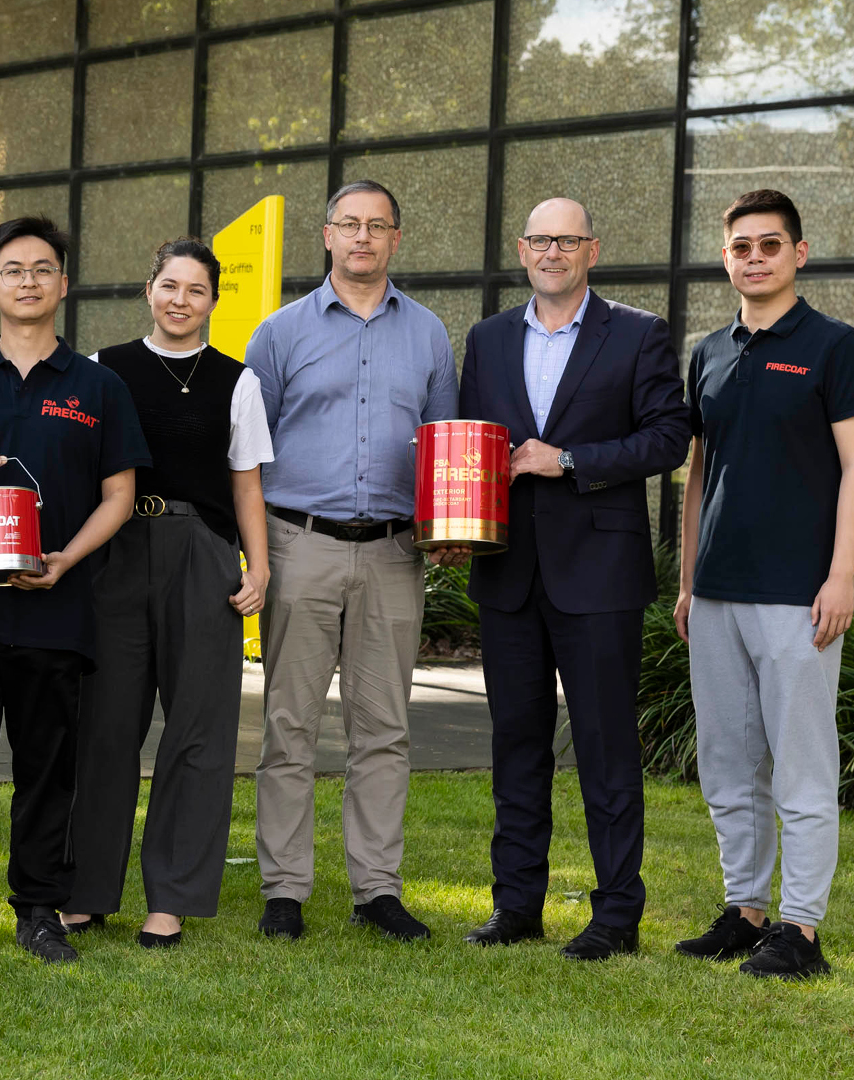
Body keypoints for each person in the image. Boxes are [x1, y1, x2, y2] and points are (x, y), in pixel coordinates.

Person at [0, 216, 149, 965]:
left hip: (56, 608)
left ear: (63, 285)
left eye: (43, 269)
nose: (29, 281)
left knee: (48, 768)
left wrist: (69, 559)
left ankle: (39, 908)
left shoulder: (97, 386)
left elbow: (120, 492)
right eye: (14, 269)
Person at [454, 199, 689, 960]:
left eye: (568, 239)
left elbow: (668, 437)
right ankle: (515, 905)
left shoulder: (639, 332)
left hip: (600, 576)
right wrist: (455, 525)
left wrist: (570, 460)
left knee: (605, 749)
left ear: (592, 249)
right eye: (540, 240)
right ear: (522, 251)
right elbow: (470, 447)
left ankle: (616, 914)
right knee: (515, 745)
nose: (553, 251)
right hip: (507, 573)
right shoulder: (487, 339)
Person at [244, 180, 459, 943]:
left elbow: (445, 450)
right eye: (349, 224)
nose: (363, 237)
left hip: (397, 552)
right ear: (326, 233)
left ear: (396, 238)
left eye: (378, 226)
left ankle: (376, 889)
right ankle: (284, 890)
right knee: (289, 724)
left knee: (384, 728)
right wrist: (258, 553)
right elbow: (248, 454)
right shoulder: (278, 334)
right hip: (300, 543)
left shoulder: (430, 334)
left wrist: (450, 528)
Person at [63, 237, 273, 949]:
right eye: (170, 286)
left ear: (214, 300)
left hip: (202, 556)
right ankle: (86, 892)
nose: (181, 301)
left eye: (197, 290)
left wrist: (259, 565)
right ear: (148, 290)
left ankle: (172, 898)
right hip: (116, 556)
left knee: (199, 731)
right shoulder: (104, 370)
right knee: (105, 726)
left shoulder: (236, 381)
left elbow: (246, 482)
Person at [674, 189, 853, 980]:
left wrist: (844, 574)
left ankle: (801, 930)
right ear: (726, 258)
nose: (754, 257)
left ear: (799, 254)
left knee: (801, 766)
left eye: (769, 245)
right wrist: (686, 581)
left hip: (797, 593)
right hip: (714, 593)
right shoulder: (709, 351)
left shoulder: (834, 346)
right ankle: (745, 910)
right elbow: (698, 472)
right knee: (728, 760)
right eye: (741, 246)